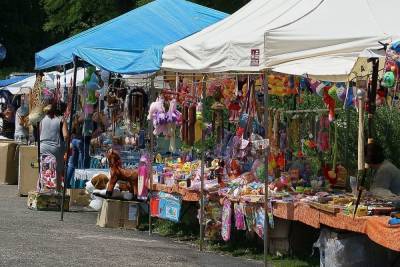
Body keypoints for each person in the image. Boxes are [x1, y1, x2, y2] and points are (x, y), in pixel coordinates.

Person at [39, 103, 68, 192]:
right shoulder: (61, 119)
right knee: (58, 170)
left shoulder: (42, 119)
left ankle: (44, 190)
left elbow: (40, 133)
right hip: (56, 147)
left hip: (43, 147)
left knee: (44, 169)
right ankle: (57, 191)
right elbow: (66, 135)